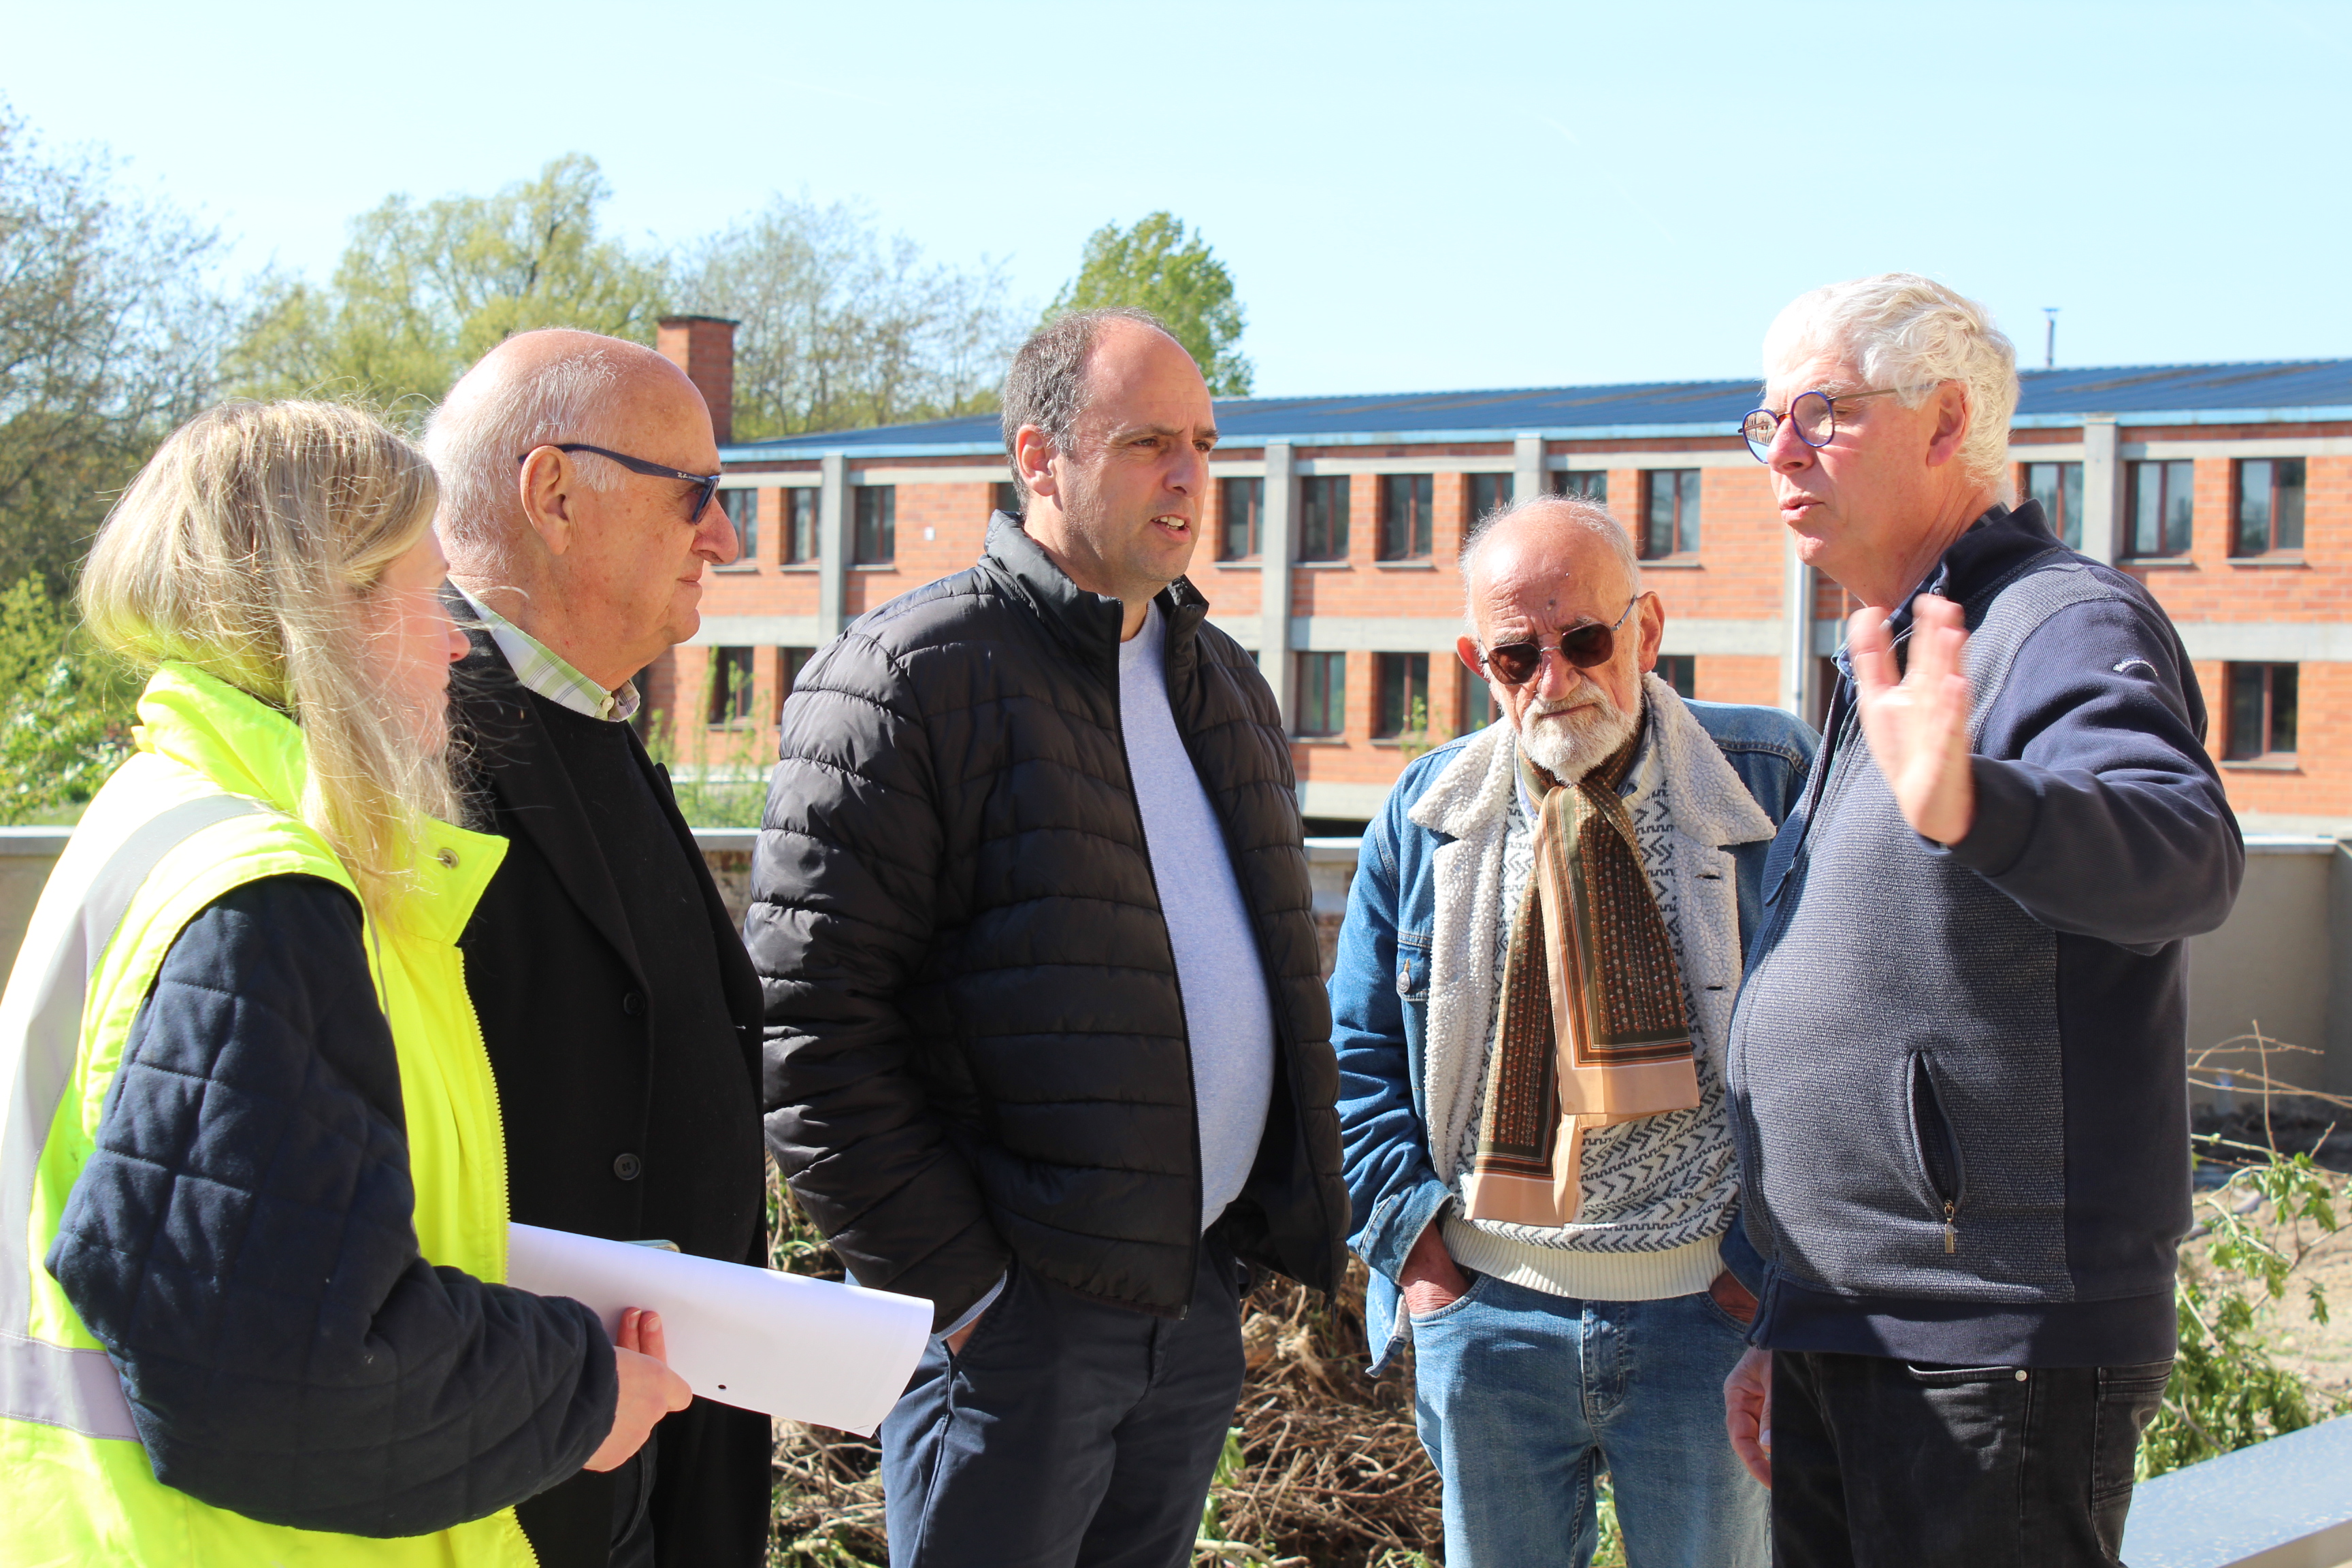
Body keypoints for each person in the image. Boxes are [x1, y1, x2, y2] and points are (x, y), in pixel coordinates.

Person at [6, 401, 691, 1565]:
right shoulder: (262, 889)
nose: (457, 641)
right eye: (427, 598)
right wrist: (579, 1391)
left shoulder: (165, 814)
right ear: (325, 616)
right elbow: (285, 1364)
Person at [748, 306, 1348, 1568]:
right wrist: (964, 1300)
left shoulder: (1223, 683)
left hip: (1186, 1304)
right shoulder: (909, 678)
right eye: (1145, 443)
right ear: (1040, 458)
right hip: (1016, 1332)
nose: (1189, 477)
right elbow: (809, 1027)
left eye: (1202, 442)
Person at [1720, 274, 2244, 1567]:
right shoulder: (1900, 647)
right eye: (1766, 419)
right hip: (1854, 1328)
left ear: (1948, 421)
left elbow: (2187, 858)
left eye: (1823, 413)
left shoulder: (2057, 622)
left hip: (1989, 1337)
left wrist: (1977, 801)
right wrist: (1786, 1312)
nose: (1781, 451)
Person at [1333, 493, 1812, 1567]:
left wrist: (1760, 1274)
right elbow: (1356, 1061)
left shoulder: (1770, 781)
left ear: (1646, 630)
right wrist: (1422, 1264)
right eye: (1517, 657)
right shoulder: (1423, 815)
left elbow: (1838, 1052)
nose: (1556, 681)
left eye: (1587, 641)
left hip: (1713, 1319)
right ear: (1476, 661)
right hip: (1490, 1319)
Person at [425, 329, 771, 1568]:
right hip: (521, 1458)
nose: (724, 538)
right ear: (554, 494)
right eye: (697, 495)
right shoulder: (417, 747)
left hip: (657, 1432)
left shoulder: (597, 721)